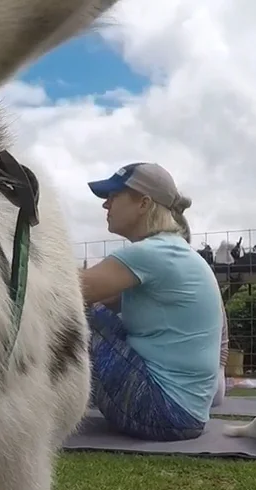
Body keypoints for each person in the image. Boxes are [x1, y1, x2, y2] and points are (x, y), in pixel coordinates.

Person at [78, 162, 223, 441]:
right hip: (183, 413)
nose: (105, 205)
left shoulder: (152, 253)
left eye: (113, 196)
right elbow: (102, 299)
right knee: (83, 310)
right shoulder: (170, 251)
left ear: (143, 203)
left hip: (161, 409)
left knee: (72, 310)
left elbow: (66, 291)